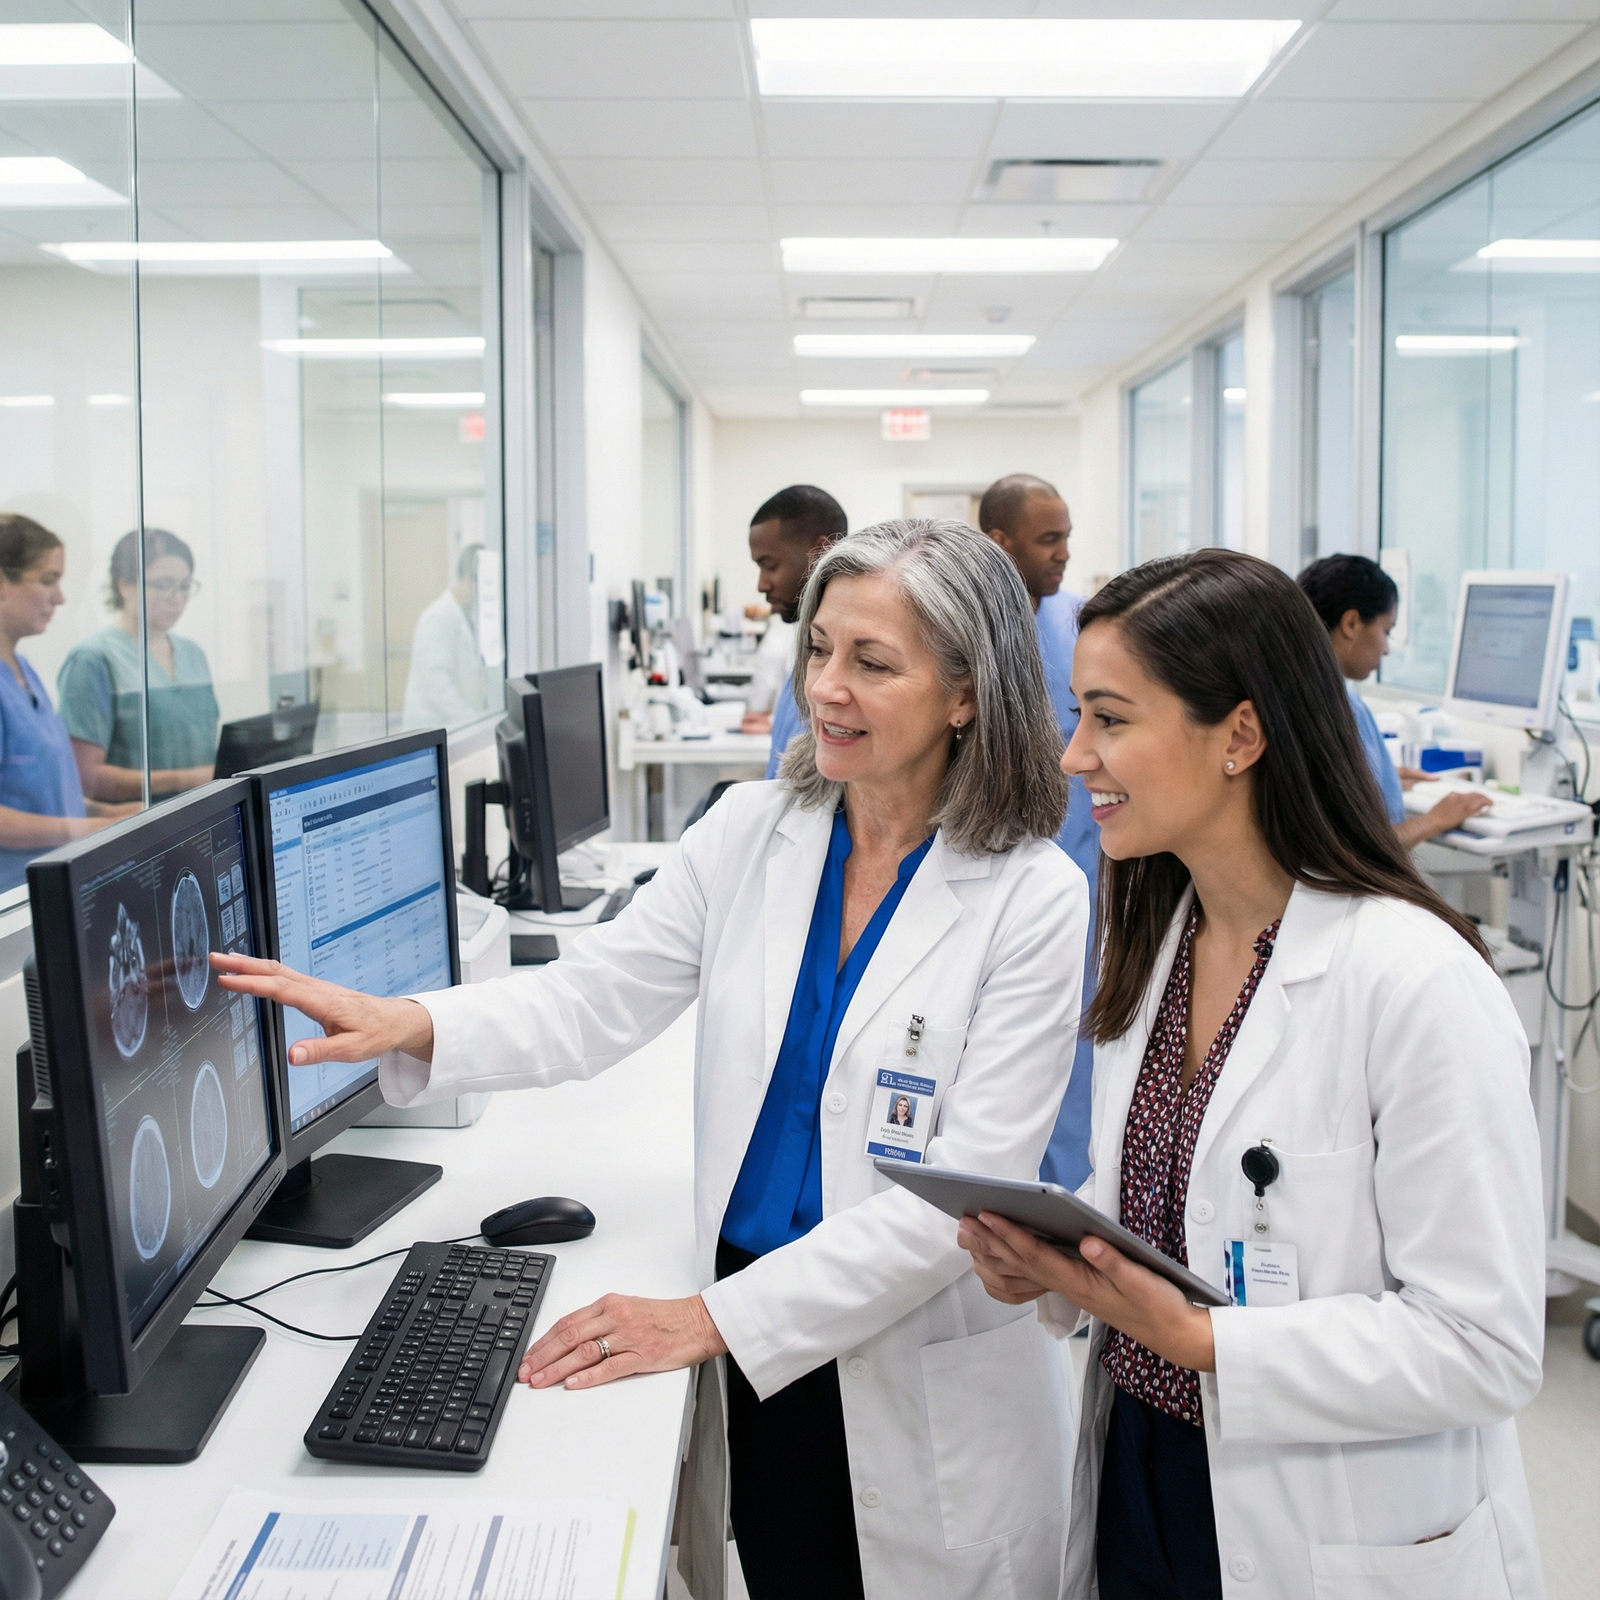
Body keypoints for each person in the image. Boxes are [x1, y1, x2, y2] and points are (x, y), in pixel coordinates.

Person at [217, 519, 1089, 1600]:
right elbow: (597, 996)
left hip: (910, 1367)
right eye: (819, 649)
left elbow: (949, 1209)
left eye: (872, 663)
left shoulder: (1031, 897)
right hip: (758, 1353)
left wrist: (707, 1320)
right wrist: (412, 1023)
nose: (826, 689)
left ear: (966, 694)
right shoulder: (751, 830)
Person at [958, 548, 1545, 1600]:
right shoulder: (1152, 944)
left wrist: (1202, 1338)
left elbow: (1483, 1345)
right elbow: (1183, 1206)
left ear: (1239, 733)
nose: (1071, 757)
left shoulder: (1414, 983)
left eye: (1110, 718)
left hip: (1330, 1522)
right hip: (1142, 1471)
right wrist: (1061, 1264)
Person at [980, 473, 1098, 1191]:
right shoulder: (966, 632)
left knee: (1077, 1052)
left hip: (1083, 877)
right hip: (987, 878)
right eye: (1049, 538)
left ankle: (1070, 1205)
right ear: (1002, 542)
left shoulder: (1080, 624)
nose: (1063, 554)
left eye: (1065, 538)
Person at [1297, 554, 1493, 846]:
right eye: (1386, 631)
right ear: (1351, 623)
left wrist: (1379, 781)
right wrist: (1436, 819)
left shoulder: (1296, 693)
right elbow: (1358, 850)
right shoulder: (1339, 709)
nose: (1387, 649)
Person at [0, 515, 134, 892]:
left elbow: (45, 794)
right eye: (47, 581)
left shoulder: (22, 669)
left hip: (51, 890)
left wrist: (114, 815)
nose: (59, 597)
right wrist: (91, 828)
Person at [58, 527, 218, 801]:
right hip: (137, 827)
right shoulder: (93, 659)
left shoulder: (193, 655)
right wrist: (190, 778)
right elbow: (84, 778)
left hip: (203, 817)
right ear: (124, 585)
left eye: (185, 586)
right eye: (164, 585)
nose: (178, 599)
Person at [737, 485, 847, 780]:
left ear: (820, 552)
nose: (762, 585)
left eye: (769, 565)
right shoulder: (804, 644)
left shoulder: (840, 663)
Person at [402, 542, 490, 729]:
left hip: (454, 726)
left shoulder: (465, 616)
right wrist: (471, 720)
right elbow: (437, 685)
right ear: (470, 581)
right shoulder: (438, 617)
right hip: (432, 727)